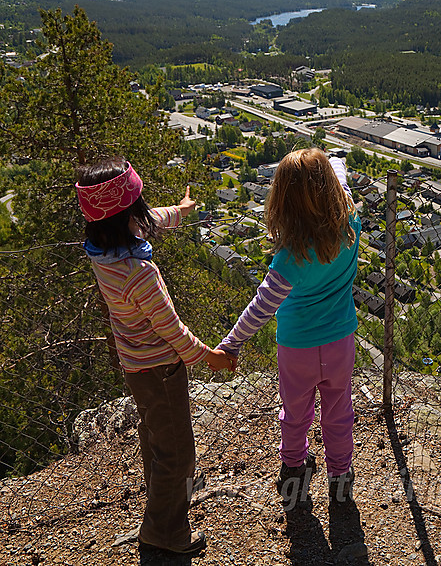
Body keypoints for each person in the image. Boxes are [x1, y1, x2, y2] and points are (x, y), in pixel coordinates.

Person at [76, 158, 234, 554]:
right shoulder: (139, 273)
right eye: (138, 207)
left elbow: (147, 220)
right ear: (126, 217)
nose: (144, 215)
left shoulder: (102, 250)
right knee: (179, 456)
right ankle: (166, 533)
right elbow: (172, 329)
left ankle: (162, 508)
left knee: (158, 445)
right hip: (161, 369)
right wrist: (209, 358)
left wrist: (179, 211)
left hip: (136, 367)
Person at [217, 147, 361, 509]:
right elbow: (338, 173)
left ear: (283, 200)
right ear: (330, 186)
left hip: (297, 348)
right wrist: (332, 159)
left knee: (296, 413)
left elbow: (260, 308)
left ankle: (293, 471)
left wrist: (231, 345)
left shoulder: (290, 258)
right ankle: (340, 478)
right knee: (338, 411)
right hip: (340, 340)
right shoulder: (350, 225)